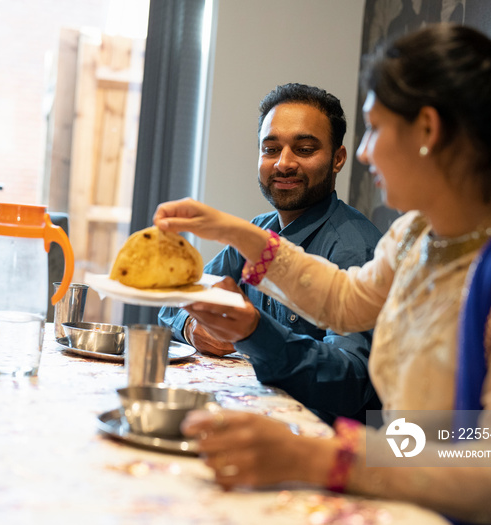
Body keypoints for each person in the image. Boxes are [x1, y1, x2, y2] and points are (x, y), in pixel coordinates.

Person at [153, 24, 491, 525]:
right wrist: (233, 230)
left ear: (427, 130)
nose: (364, 153)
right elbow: (345, 298)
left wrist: (321, 456)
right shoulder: (416, 234)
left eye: (374, 128)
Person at [158, 83, 382, 424]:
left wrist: (255, 334)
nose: (284, 163)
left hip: (315, 442)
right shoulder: (259, 233)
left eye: (305, 149)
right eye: (270, 149)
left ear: (338, 159)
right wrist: (195, 328)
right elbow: (173, 300)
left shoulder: (354, 248)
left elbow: (349, 383)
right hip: (246, 413)